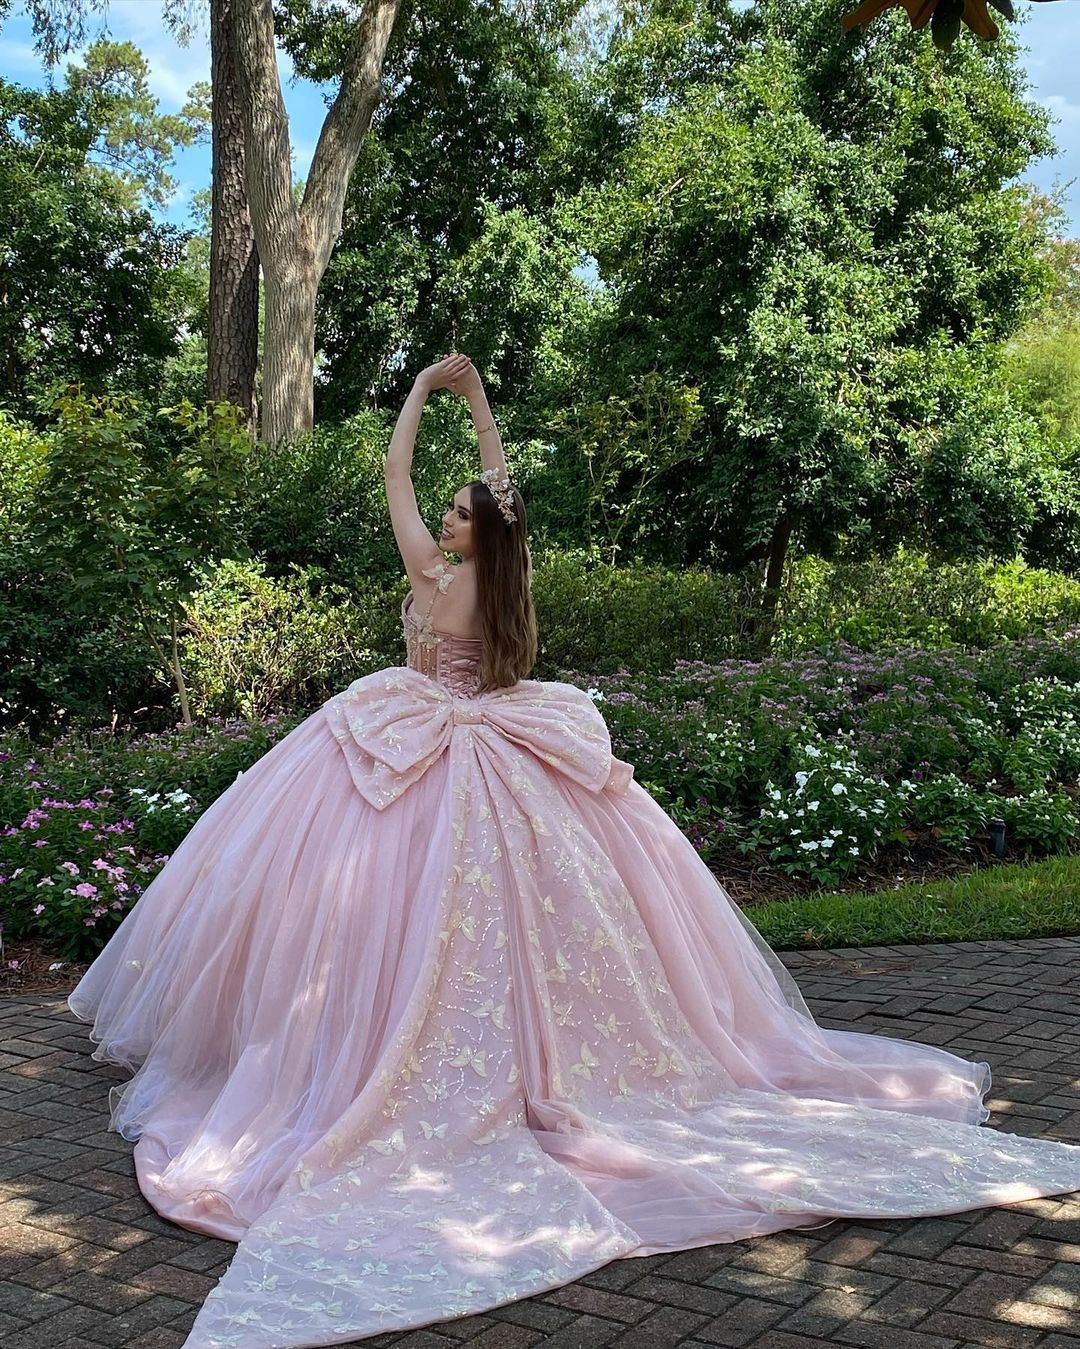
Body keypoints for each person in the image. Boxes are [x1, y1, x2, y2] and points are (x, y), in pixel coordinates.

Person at [69, 354, 1080, 1349]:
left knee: (395, 918)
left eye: (460, 510)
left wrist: (425, 395)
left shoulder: (436, 573)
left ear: (469, 532)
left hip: (418, 749)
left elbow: (392, 475)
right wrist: (485, 408)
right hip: (493, 755)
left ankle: (376, 1062)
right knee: (524, 927)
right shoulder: (508, 584)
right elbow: (508, 502)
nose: (451, 515)